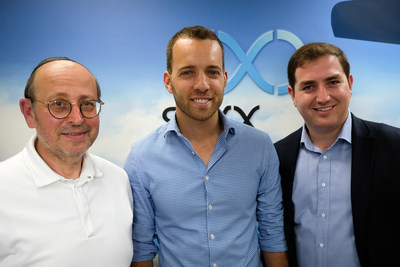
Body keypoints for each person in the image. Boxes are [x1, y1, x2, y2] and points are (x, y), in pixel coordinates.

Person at [124, 26, 288, 267]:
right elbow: (142, 251)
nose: (202, 85)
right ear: (168, 82)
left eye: (212, 72)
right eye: (188, 72)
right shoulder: (141, 159)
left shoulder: (260, 147)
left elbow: (272, 235)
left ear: (224, 78)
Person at [275, 42, 400, 267]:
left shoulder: (394, 146)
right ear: (293, 95)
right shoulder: (276, 157)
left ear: (349, 84)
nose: (323, 97)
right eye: (309, 87)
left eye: (333, 82)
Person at [0, 57, 133, 266]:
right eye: (59, 104)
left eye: (87, 104)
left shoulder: (118, 179)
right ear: (29, 112)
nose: (77, 119)